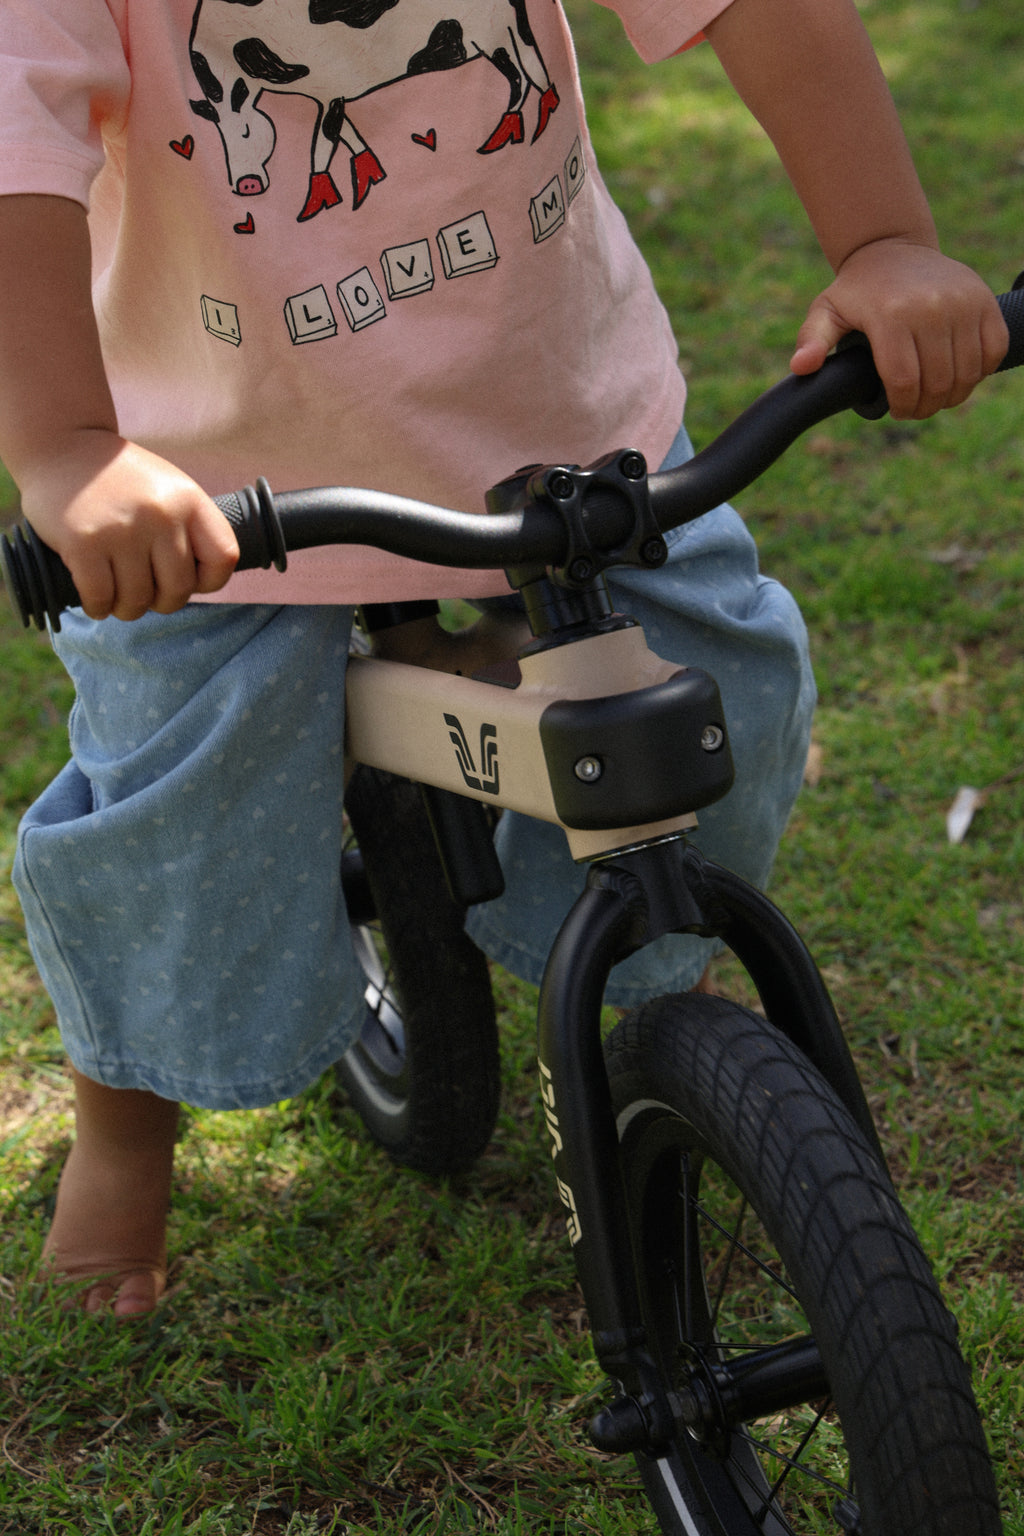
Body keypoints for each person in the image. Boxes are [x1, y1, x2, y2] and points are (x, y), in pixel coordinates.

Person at [0, 0, 1007, 1318]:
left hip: (555, 426)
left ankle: (663, 968)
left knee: (729, 686)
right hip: (218, 490)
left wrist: (882, 241)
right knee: (165, 803)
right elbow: (21, 148)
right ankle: (129, 1126)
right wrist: (70, 446)